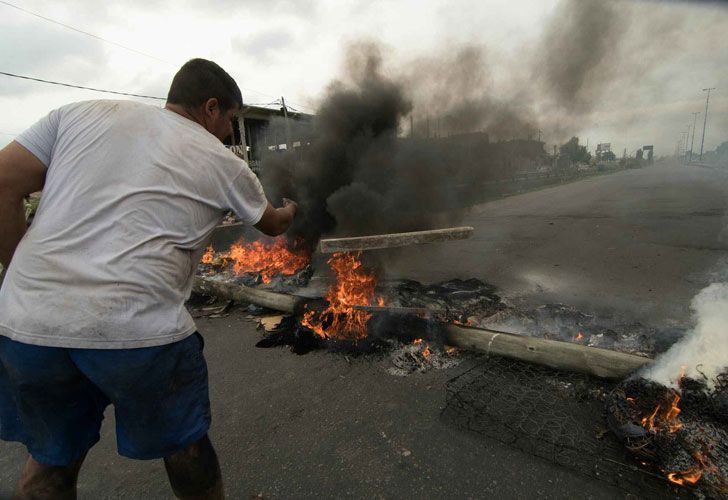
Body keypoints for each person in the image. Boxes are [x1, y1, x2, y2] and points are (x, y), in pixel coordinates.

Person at [0, 58, 297, 499]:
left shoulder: (78, 115)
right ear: (210, 108)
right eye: (232, 121)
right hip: (138, 333)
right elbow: (272, 224)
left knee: (52, 459)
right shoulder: (222, 160)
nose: (231, 134)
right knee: (186, 451)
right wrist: (295, 209)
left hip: (27, 328)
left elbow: (3, 180)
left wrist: (21, 274)